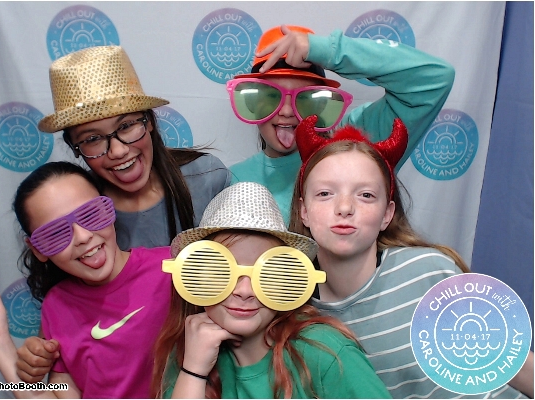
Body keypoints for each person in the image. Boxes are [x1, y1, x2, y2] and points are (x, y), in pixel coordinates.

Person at [17, 45, 230, 381]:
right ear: (76, 149)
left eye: (128, 125)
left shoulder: (206, 178)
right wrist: (40, 350)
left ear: (150, 121)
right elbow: (73, 312)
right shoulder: (84, 219)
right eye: (92, 139)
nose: (117, 150)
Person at [288, 116, 531, 398]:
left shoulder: (427, 271)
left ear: (387, 214)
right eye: (325, 193)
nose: (344, 207)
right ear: (303, 211)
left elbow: (515, 364)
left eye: (365, 195)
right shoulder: (292, 313)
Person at [151, 182, 392, 398]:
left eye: (267, 273)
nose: (244, 290)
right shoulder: (190, 351)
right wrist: (193, 371)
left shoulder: (325, 352)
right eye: (223, 271)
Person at [0, 161, 172, 398]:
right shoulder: (57, 306)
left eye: (90, 214)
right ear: (38, 249)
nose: (82, 236)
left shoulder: (173, 267)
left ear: (109, 209)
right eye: (56, 233)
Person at [228, 25, 455, 225]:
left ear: (323, 104)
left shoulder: (355, 145)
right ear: (251, 102)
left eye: (305, 99)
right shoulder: (232, 180)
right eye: (270, 97)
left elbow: (436, 78)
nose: (287, 111)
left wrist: (328, 52)